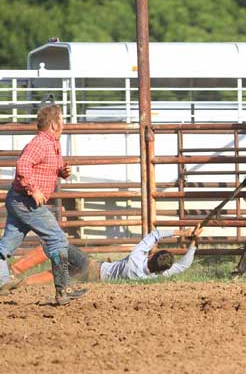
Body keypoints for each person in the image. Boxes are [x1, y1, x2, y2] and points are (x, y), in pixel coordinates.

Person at [0, 104, 88, 305]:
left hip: (19, 199)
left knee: (7, 244)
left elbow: (42, 166)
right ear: (54, 125)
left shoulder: (51, 144)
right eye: (62, 121)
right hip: (27, 201)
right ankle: (63, 290)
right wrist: (34, 189)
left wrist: (62, 172)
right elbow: (23, 165)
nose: (64, 125)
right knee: (57, 239)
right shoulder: (41, 143)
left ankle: (1, 281)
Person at [3, 229, 197, 287]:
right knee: (58, 274)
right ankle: (22, 283)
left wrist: (184, 232)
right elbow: (183, 266)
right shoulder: (153, 276)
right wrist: (194, 243)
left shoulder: (136, 258)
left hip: (94, 267)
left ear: (152, 255)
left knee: (54, 245)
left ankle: (14, 270)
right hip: (92, 277)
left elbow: (154, 234)